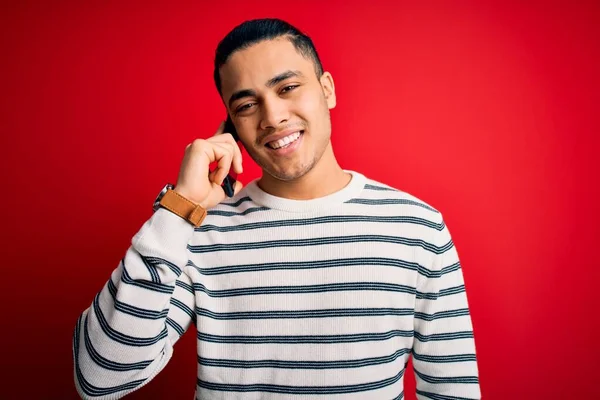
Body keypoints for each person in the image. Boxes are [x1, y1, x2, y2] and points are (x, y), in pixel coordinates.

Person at [72, 18, 481, 400]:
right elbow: (100, 378)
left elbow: (452, 390)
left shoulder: (418, 228)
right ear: (231, 126)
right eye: (247, 105)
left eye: (287, 88)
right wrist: (179, 209)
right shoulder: (197, 230)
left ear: (327, 89)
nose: (273, 117)